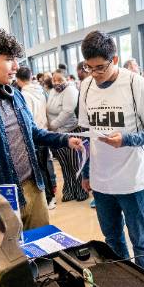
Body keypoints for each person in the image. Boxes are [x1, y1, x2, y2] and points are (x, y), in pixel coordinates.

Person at [0, 29, 83, 229]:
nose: (16, 66)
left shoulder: (15, 96)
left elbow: (33, 133)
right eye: (9, 59)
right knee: (14, 259)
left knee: (44, 252)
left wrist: (65, 140)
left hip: (34, 190)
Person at [79, 30, 144, 274]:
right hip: (102, 182)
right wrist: (86, 171)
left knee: (141, 242)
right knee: (112, 241)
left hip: (132, 180)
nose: (95, 74)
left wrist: (126, 140)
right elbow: (89, 135)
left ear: (114, 60)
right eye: (89, 68)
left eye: (100, 67)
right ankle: (126, 283)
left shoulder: (135, 83)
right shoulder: (86, 86)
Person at [16, 66, 57, 210]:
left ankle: (49, 198)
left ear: (18, 79)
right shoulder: (40, 91)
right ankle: (51, 196)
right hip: (44, 131)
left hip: (36, 135)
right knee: (46, 166)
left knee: (41, 168)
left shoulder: (24, 95)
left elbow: (28, 119)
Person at [47, 70, 89, 202]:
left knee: (74, 163)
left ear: (67, 79)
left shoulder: (71, 90)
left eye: (60, 80)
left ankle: (81, 191)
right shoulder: (52, 92)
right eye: (54, 80)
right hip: (57, 134)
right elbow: (48, 109)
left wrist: (53, 125)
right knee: (65, 165)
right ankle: (69, 190)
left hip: (72, 131)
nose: (57, 83)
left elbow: (68, 111)